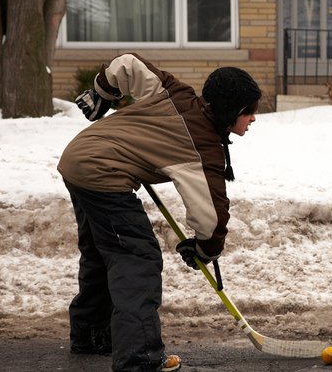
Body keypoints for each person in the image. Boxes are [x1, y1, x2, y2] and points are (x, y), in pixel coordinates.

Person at [58, 53, 262, 371]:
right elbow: (210, 215)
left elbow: (127, 64)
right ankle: (139, 358)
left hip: (78, 158)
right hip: (102, 173)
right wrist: (205, 248)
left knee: (103, 252)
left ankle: (92, 333)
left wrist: (102, 92)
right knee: (136, 259)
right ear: (232, 112)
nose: (253, 119)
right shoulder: (202, 147)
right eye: (249, 111)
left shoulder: (175, 91)